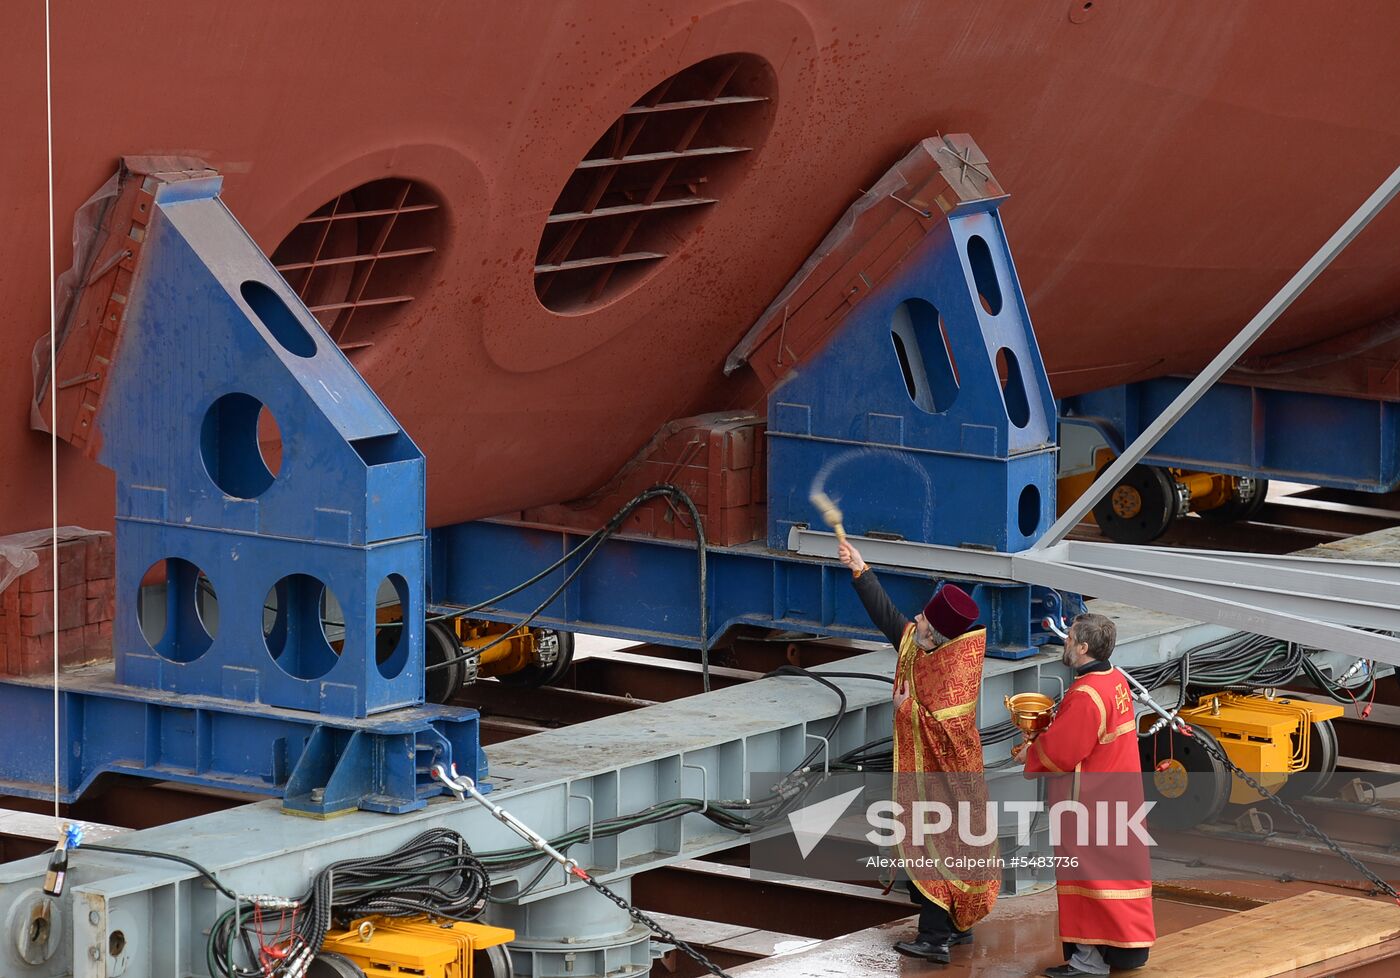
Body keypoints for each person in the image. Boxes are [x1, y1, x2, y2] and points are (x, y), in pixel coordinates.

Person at [838, 539, 998, 964]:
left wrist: (904, 708)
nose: (915, 619)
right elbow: (890, 620)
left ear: (934, 633)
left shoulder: (953, 673)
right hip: (933, 776)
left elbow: (943, 727)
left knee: (935, 848)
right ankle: (958, 927)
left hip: (944, 783)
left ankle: (934, 940)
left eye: (923, 618)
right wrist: (861, 570)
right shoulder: (925, 643)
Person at [1014, 612, 1156, 977]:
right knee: (1118, 875)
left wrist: (1031, 752)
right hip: (1118, 796)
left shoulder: (1085, 695)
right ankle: (1123, 952)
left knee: (1088, 877)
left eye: (1070, 638)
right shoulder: (1114, 679)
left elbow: (1062, 753)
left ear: (1083, 647)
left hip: (1088, 803)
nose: (1065, 642)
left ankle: (1088, 962)